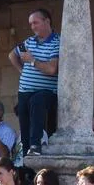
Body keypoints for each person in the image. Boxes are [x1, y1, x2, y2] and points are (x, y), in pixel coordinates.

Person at [7, 9, 61, 156]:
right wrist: (22, 71)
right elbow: (12, 55)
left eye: (35, 23)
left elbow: (51, 69)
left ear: (47, 21)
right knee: (24, 126)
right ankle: (26, 161)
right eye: (31, 24)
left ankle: (36, 145)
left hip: (46, 91)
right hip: (25, 91)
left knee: (37, 104)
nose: (33, 27)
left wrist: (32, 61)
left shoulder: (57, 42)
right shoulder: (29, 41)